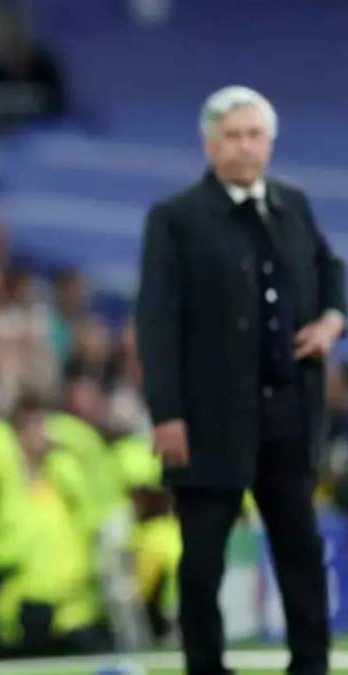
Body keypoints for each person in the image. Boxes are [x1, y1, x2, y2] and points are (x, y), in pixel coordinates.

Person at [136, 85, 344, 675]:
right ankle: (206, 667)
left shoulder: (293, 205)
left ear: (271, 142)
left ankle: (310, 665)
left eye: (254, 135)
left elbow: (332, 270)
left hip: (288, 415)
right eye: (232, 135)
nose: (244, 146)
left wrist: (332, 321)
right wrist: (166, 414)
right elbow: (156, 321)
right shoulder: (176, 218)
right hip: (207, 420)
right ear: (209, 143)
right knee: (202, 561)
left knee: (301, 551)